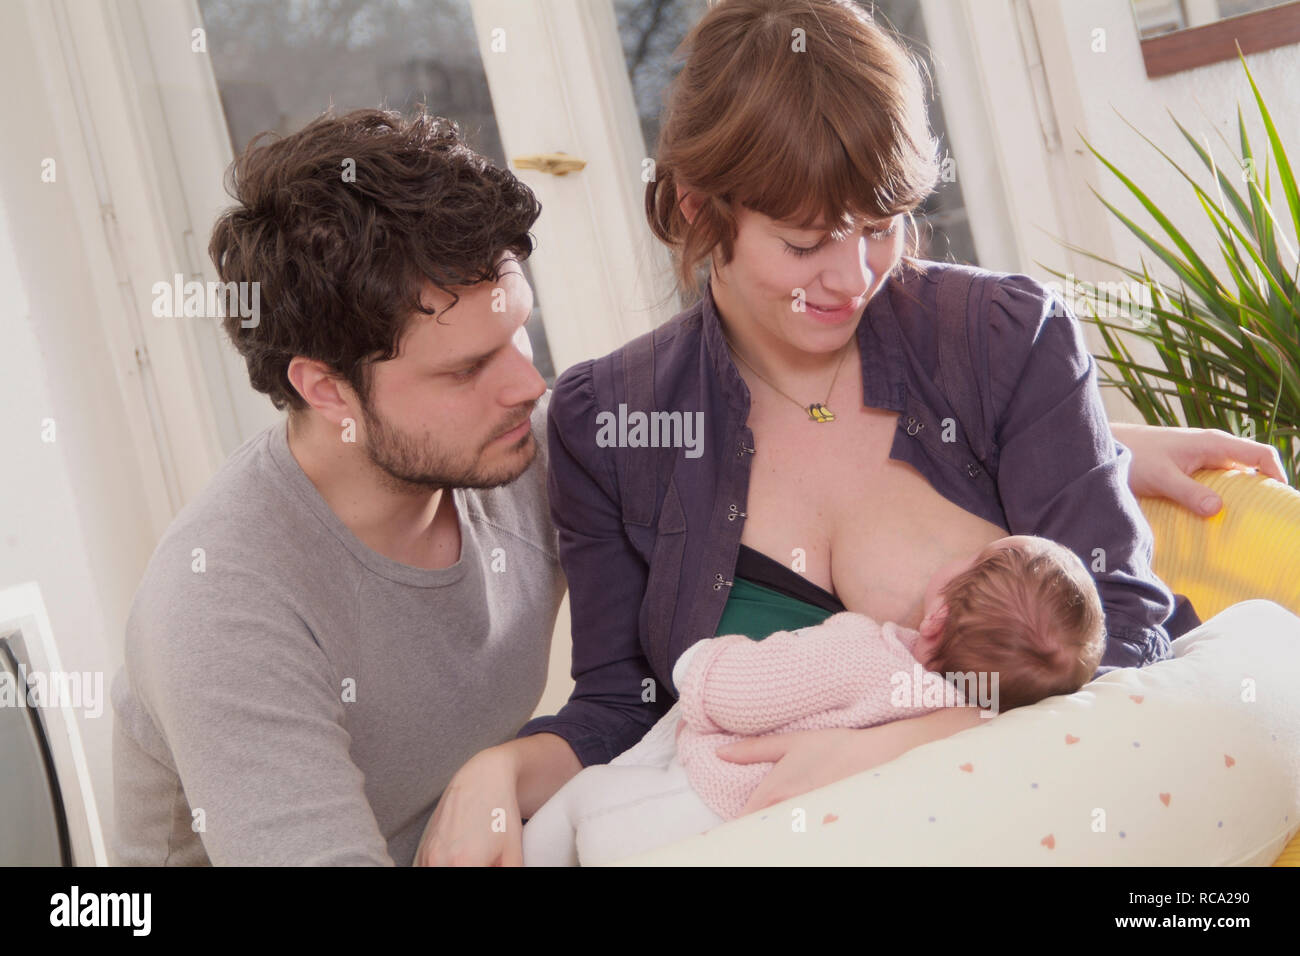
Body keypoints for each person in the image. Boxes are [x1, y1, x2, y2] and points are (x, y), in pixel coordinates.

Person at [416, 0, 1288, 867]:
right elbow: (621, 707)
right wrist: (493, 773)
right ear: (697, 210)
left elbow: (1125, 623)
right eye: (804, 245)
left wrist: (903, 747)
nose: (853, 277)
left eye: (881, 227)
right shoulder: (609, 422)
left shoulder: (1003, 337)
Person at [109, 108, 568, 865]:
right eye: (465, 369)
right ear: (326, 390)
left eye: (518, 331)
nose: (528, 383)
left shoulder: (520, 442)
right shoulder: (220, 604)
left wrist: (514, 767)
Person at [519, 534, 1105, 865]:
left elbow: (742, 696)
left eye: (977, 555)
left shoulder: (863, 653)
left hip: (697, 807)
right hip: (761, 843)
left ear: (939, 615)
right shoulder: (973, 727)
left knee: (584, 800)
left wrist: (701, 665)